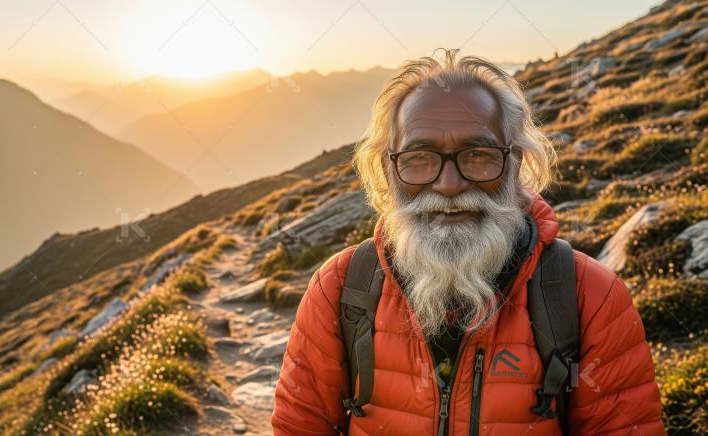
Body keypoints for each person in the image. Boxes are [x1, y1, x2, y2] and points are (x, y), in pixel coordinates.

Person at [271, 49, 665, 435]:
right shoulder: (340, 287)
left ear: (516, 163)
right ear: (387, 170)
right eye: (418, 157)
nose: (448, 185)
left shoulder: (590, 296)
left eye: (477, 154)